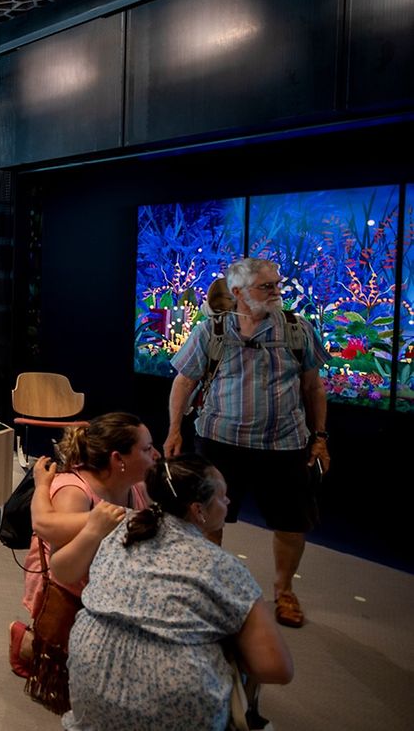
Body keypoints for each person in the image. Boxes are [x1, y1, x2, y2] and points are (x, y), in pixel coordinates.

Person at [51, 456, 294, 730]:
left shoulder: (117, 526)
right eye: (223, 497)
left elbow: (57, 562)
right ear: (198, 510)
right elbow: (276, 668)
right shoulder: (224, 568)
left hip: (90, 688)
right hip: (174, 706)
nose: (228, 503)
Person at [165, 257, 329, 627]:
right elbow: (184, 382)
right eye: (265, 286)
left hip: (285, 444)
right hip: (220, 441)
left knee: (291, 523)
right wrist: (174, 429)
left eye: (276, 285)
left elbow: (313, 388)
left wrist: (320, 438)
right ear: (238, 292)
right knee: (208, 519)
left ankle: (284, 591)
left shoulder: (297, 330)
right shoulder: (212, 331)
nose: (276, 292)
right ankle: (208, 586)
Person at [9, 412, 157, 677]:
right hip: (71, 583)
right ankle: (29, 642)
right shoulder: (74, 491)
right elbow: (63, 567)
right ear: (117, 459)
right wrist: (97, 526)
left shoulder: (136, 487)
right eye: (146, 449)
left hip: (103, 578)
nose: (155, 455)